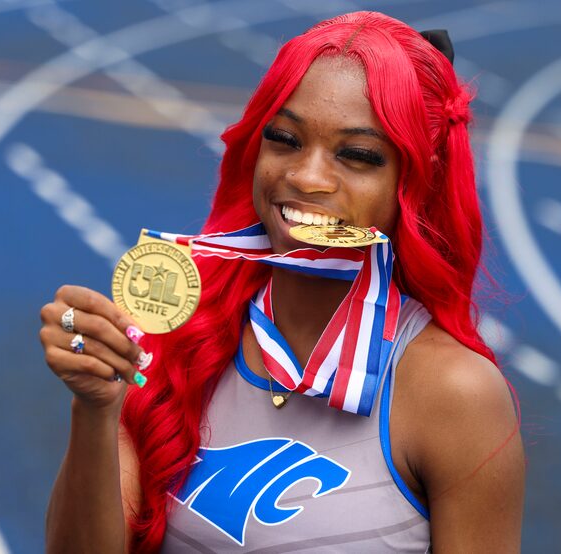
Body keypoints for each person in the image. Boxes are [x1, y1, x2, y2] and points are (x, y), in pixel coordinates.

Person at [40, 11, 525, 553]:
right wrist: (95, 410)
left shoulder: (456, 393)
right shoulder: (177, 336)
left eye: (358, 155)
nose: (305, 177)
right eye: (285, 139)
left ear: (414, 180)